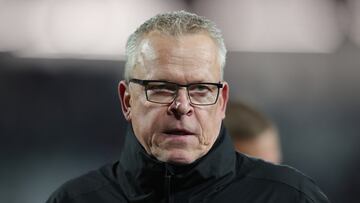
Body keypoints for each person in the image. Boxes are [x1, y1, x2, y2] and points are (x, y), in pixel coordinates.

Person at [46, 10, 329, 202]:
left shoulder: (291, 197)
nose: (182, 106)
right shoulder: (74, 199)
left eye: (201, 89)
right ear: (127, 100)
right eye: (161, 88)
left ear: (222, 102)